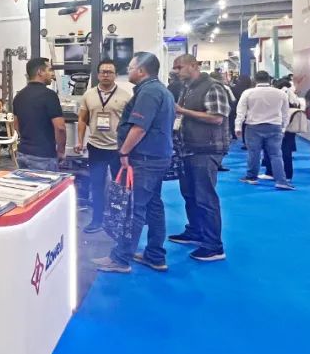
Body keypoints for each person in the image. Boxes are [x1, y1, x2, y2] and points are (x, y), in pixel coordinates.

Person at [93, 52, 175, 274]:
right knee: (153, 206)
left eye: (130, 68)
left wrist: (124, 152)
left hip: (145, 160)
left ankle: (121, 258)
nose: (127, 71)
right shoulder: (161, 90)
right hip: (157, 158)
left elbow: (139, 128)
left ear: (141, 70)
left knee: (135, 209)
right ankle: (155, 255)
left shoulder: (148, 93)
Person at [169, 55, 231, 262]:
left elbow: (217, 117)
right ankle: (195, 230)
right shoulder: (187, 88)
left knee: (205, 198)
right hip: (189, 148)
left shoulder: (213, 87)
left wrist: (183, 111)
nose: (176, 71)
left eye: (179, 67)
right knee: (189, 194)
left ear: (193, 66)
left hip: (207, 149)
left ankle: (214, 246)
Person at [76, 60, 131, 234]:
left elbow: (130, 124)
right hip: (96, 147)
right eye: (103, 72)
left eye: (110, 72)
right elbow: (82, 119)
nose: (106, 74)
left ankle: (117, 220)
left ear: (116, 75)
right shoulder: (89, 95)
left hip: (117, 149)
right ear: (98, 74)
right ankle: (97, 220)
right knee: (96, 185)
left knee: (119, 187)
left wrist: (127, 148)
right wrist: (80, 141)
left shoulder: (126, 97)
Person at [235, 71, 292, 190]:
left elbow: (241, 111)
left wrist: (238, 126)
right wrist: (283, 128)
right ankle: (281, 180)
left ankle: (251, 177)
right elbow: (285, 113)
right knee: (276, 154)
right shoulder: (280, 93)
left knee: (253, 153)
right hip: (275, 126)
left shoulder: (248, 92)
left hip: (253, 126)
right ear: (269, 80)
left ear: (255, 80)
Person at [11, 58, 66, 172]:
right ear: (40, 72)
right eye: (49, 70)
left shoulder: (19, 96)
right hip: (43, 157)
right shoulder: (50, 95)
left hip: (23, 153)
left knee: (26, 183)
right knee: (46, 184)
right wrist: (61, 151)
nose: (52, 74)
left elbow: (16, 125)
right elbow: (60, 127)